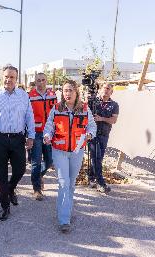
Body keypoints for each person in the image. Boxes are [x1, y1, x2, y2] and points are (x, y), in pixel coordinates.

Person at [0, 65, 35, 221]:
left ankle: (10, 189)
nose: (8, 79)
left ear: (16, 79)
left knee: (20, 169)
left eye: (12, 77)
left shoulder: (23, 96)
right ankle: (5, 206)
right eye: (6, 76)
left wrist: (31, 136)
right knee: (1, 175)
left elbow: (29, 117)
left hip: (18, 139)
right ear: (1, 77)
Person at [43, 80, 96, 233]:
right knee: (63, 182)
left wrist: (89, 134)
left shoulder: (85, 109)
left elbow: (92, 125)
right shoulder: (56, 108)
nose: (67, 93)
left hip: (77, 151)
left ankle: (66, 210)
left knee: (71, 184)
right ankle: (64, 219)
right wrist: (47, 135)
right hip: (59, 151)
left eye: (70, 90)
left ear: (76, 92)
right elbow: (49, 127)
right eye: (65, 90)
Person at [28, 73, 57, 200]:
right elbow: (27, 115)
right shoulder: (30, 96)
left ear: (47, 81)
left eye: (43, 80)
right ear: (35, 82)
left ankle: (39, 176)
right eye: (38, 80)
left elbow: (57, 112)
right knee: (36, 161)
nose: (41, 82)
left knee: (50, 160)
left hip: (49, 132)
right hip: (36, 132)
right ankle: (37, 189)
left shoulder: (53, 95)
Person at [88, 82, 119, 194]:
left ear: (111, 92)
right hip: (92, 134)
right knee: (96, 156)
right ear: (100, 89)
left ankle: (91, 177)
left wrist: (101, 118)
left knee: (98, 158)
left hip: (104, 134)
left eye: (108, 89)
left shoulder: (114, 105)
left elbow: (113, 120)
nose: (106, 90)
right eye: (104, 88)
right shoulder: (93, 102)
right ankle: (100, 182)